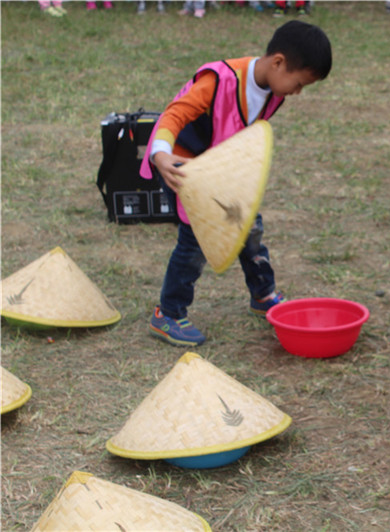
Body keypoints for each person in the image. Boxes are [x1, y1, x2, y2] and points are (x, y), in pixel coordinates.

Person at [140, 20, 332, 347]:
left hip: (223, 170)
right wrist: (160, 155)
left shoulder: (274, 92)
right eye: (299, 84)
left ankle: (263, 295)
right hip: (184, 167)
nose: (298, 92)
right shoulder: (218, 81)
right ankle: (168, 314)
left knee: (249, 226)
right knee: (195, 243)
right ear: (278, 62)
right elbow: (174, 115)